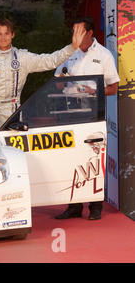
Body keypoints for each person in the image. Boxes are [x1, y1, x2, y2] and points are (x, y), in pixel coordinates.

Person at [54, 16, 120, 221]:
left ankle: (95, 206)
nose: (75, 35)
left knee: (92, 158)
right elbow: (57, 85)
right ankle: (73, 206)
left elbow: (113, 88)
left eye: (79, 32)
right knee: (71, 158)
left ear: (90, 33)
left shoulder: (104, 55)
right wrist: (63, 80)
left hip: (92, 110)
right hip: (68, 110)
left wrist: (95, 90)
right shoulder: (68, 52)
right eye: (73, 31)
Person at [0, 18, 87, 129]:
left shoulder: (22, 58)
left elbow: (50, 60)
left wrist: (73, 47)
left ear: (13, 35)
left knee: (14, 148)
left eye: (6, 34)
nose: (3, 38)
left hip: (13, 111)